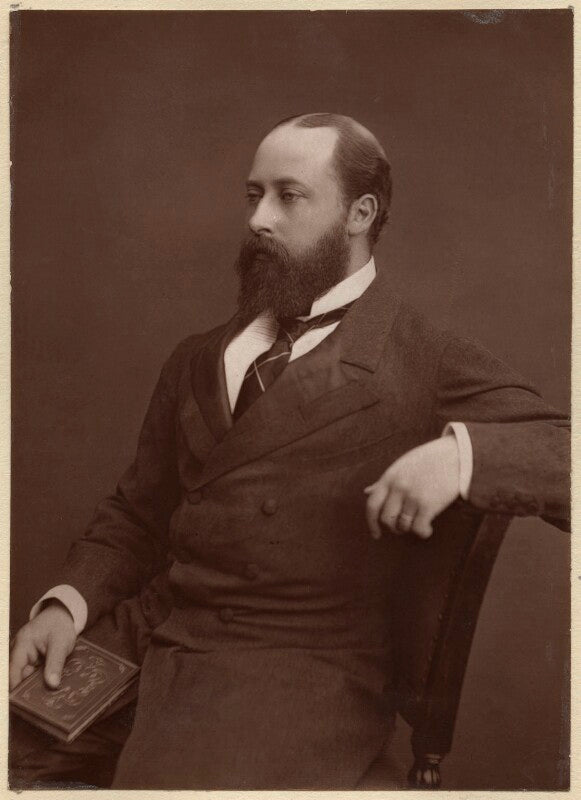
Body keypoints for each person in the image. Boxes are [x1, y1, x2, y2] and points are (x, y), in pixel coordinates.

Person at [9, 113, 570, 789]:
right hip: (148, 635)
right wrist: (67, 603)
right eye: (254, 195)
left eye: (289, 196)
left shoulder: (422, 356)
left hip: (290, 671)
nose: (258, 220)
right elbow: (138, 512)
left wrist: (460, 456)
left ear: (360, 213)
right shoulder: (199, 357)